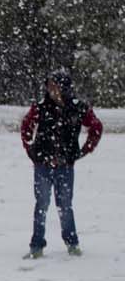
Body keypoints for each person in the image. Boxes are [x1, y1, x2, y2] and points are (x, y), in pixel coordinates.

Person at [19, 70, 103, 259]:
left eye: (55, 86)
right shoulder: (41, 107)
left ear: (64, 87)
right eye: (49, 86)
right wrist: (30, 148)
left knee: (65, 205)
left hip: (65, 167)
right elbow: (26, 126)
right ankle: (36, 246)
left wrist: (86, 149)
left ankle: (72, 243)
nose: (51, 90)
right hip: (42, 165)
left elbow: (96, 127)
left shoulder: (78, 108)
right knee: (41, 205)